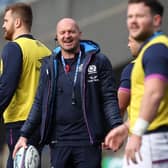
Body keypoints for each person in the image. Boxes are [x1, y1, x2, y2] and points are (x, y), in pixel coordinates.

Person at [13, 17, 123, 168]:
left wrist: (116, 127)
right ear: (57, 38)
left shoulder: (98, 61)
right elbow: (39, 103)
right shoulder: (49, 65)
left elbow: (109, 99)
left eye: (71, 31)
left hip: (88, 141)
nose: (67, 36)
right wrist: (24, 135)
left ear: (80, 34)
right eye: (62, 33)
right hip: (59, 142)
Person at [105, 0, 168, 168]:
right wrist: (127, 128)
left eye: (140, 16)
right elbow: (146, 101)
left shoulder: (157, 49)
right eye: (130, 16)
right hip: (147, 137)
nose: (133, 21)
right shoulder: (149, 51)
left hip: (152, 139)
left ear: (156, 20)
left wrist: (137, 133)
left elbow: (155, 95)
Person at [0, 3, 51, 168]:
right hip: (42, 124)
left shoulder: (14, 48)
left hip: (20, 123)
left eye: (6, 21)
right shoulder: (46, 51)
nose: (3, 25)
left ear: (17, 23)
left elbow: (6, 88)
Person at [118, 35, 142, 117]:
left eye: (130, 41)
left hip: (142, 127)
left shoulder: (131, 68)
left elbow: (120, 106)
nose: (128, 45)